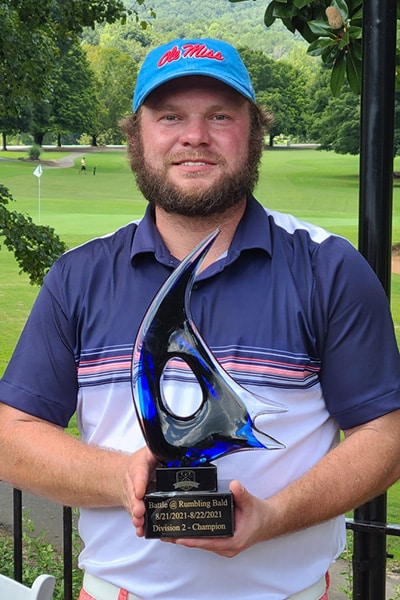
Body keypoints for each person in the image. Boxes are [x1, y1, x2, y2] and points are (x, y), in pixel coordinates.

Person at [0, 37, 400, 600]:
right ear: (137, 135)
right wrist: (118, 478)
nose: (194, 136)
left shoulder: (328, 267)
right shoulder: (78, 276)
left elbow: (385, 433)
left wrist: (274, 515)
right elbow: (11, 435)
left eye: (219, 115)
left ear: (254, 130)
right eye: (170, 117)